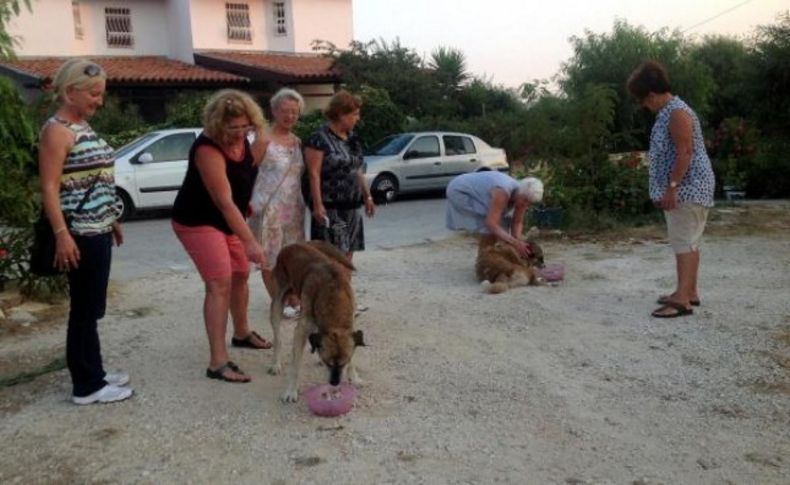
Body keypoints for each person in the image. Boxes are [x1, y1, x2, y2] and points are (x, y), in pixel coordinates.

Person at [38, 59, 133, 405]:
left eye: (101, 94)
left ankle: (92, 371)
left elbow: (95, 179)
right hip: (79, 233)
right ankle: (87, 385)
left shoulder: (81, 127)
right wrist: (62, 233)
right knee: (84, 308)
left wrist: (112, 218)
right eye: (94, 93)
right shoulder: (57, 131)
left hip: (98, 229)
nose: (99, 100)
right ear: (70, 92)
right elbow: (49, 187)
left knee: (91, 307)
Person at [171, 89, 269, 383]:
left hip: (227, 219)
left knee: (240, 272)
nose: (240, 134)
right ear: (217, 125)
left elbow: (240, 184)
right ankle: (217, 362)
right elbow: (222, 200)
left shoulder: (246, 141)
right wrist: (250, 241)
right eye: (233, 128)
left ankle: (241, 333)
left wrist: (246, 203)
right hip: (198, 220)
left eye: (245, 127)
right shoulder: (207, 149)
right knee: (219, 284)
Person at [627, 60, 715, 318]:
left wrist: (672, 187)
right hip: (688, 187)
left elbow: (685, 152)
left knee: (683, 242)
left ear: (651, 95)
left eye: (643, 100)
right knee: (689, 242)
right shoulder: (671, 110)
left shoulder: (677, 112)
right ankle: (689, 291)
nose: (644, 105)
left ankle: (682, 300)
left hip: (687, 188)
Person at [248, 88, 306, 318]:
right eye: (285, 111)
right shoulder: (262, 139)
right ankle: (279, 302)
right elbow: (246, 173)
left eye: (294, 111)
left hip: (294, 209)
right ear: (273, 111)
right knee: (270, 257)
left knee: (292, 257)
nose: (290, 116)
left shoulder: (297, 141)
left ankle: (294, 298)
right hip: (267, 208)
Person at [303, 90, 375, 262]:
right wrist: (317, 205)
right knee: (332, 258)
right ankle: (331, 289)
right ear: (341, 114)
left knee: (348, 255)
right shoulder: (319, 138)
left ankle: (344, 288)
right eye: (355, 114)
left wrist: (367, 196)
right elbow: (313, 173)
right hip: (331, 207)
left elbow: (357, 169)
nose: (357, 118)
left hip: (351, 205)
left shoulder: (352, 138)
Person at [446, 171, 544, 258]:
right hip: (460, 191)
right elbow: (491, 223)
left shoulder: (522, 195)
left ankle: (495, 255)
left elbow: (517, 222)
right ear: (520, 193)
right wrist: (514, 243)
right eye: (525, 201)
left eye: (530, 203)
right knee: (492, 225)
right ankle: (486, 261)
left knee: (502, 227)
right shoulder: (503, 192)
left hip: (474, 190)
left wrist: (518, 241)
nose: (526, 205)